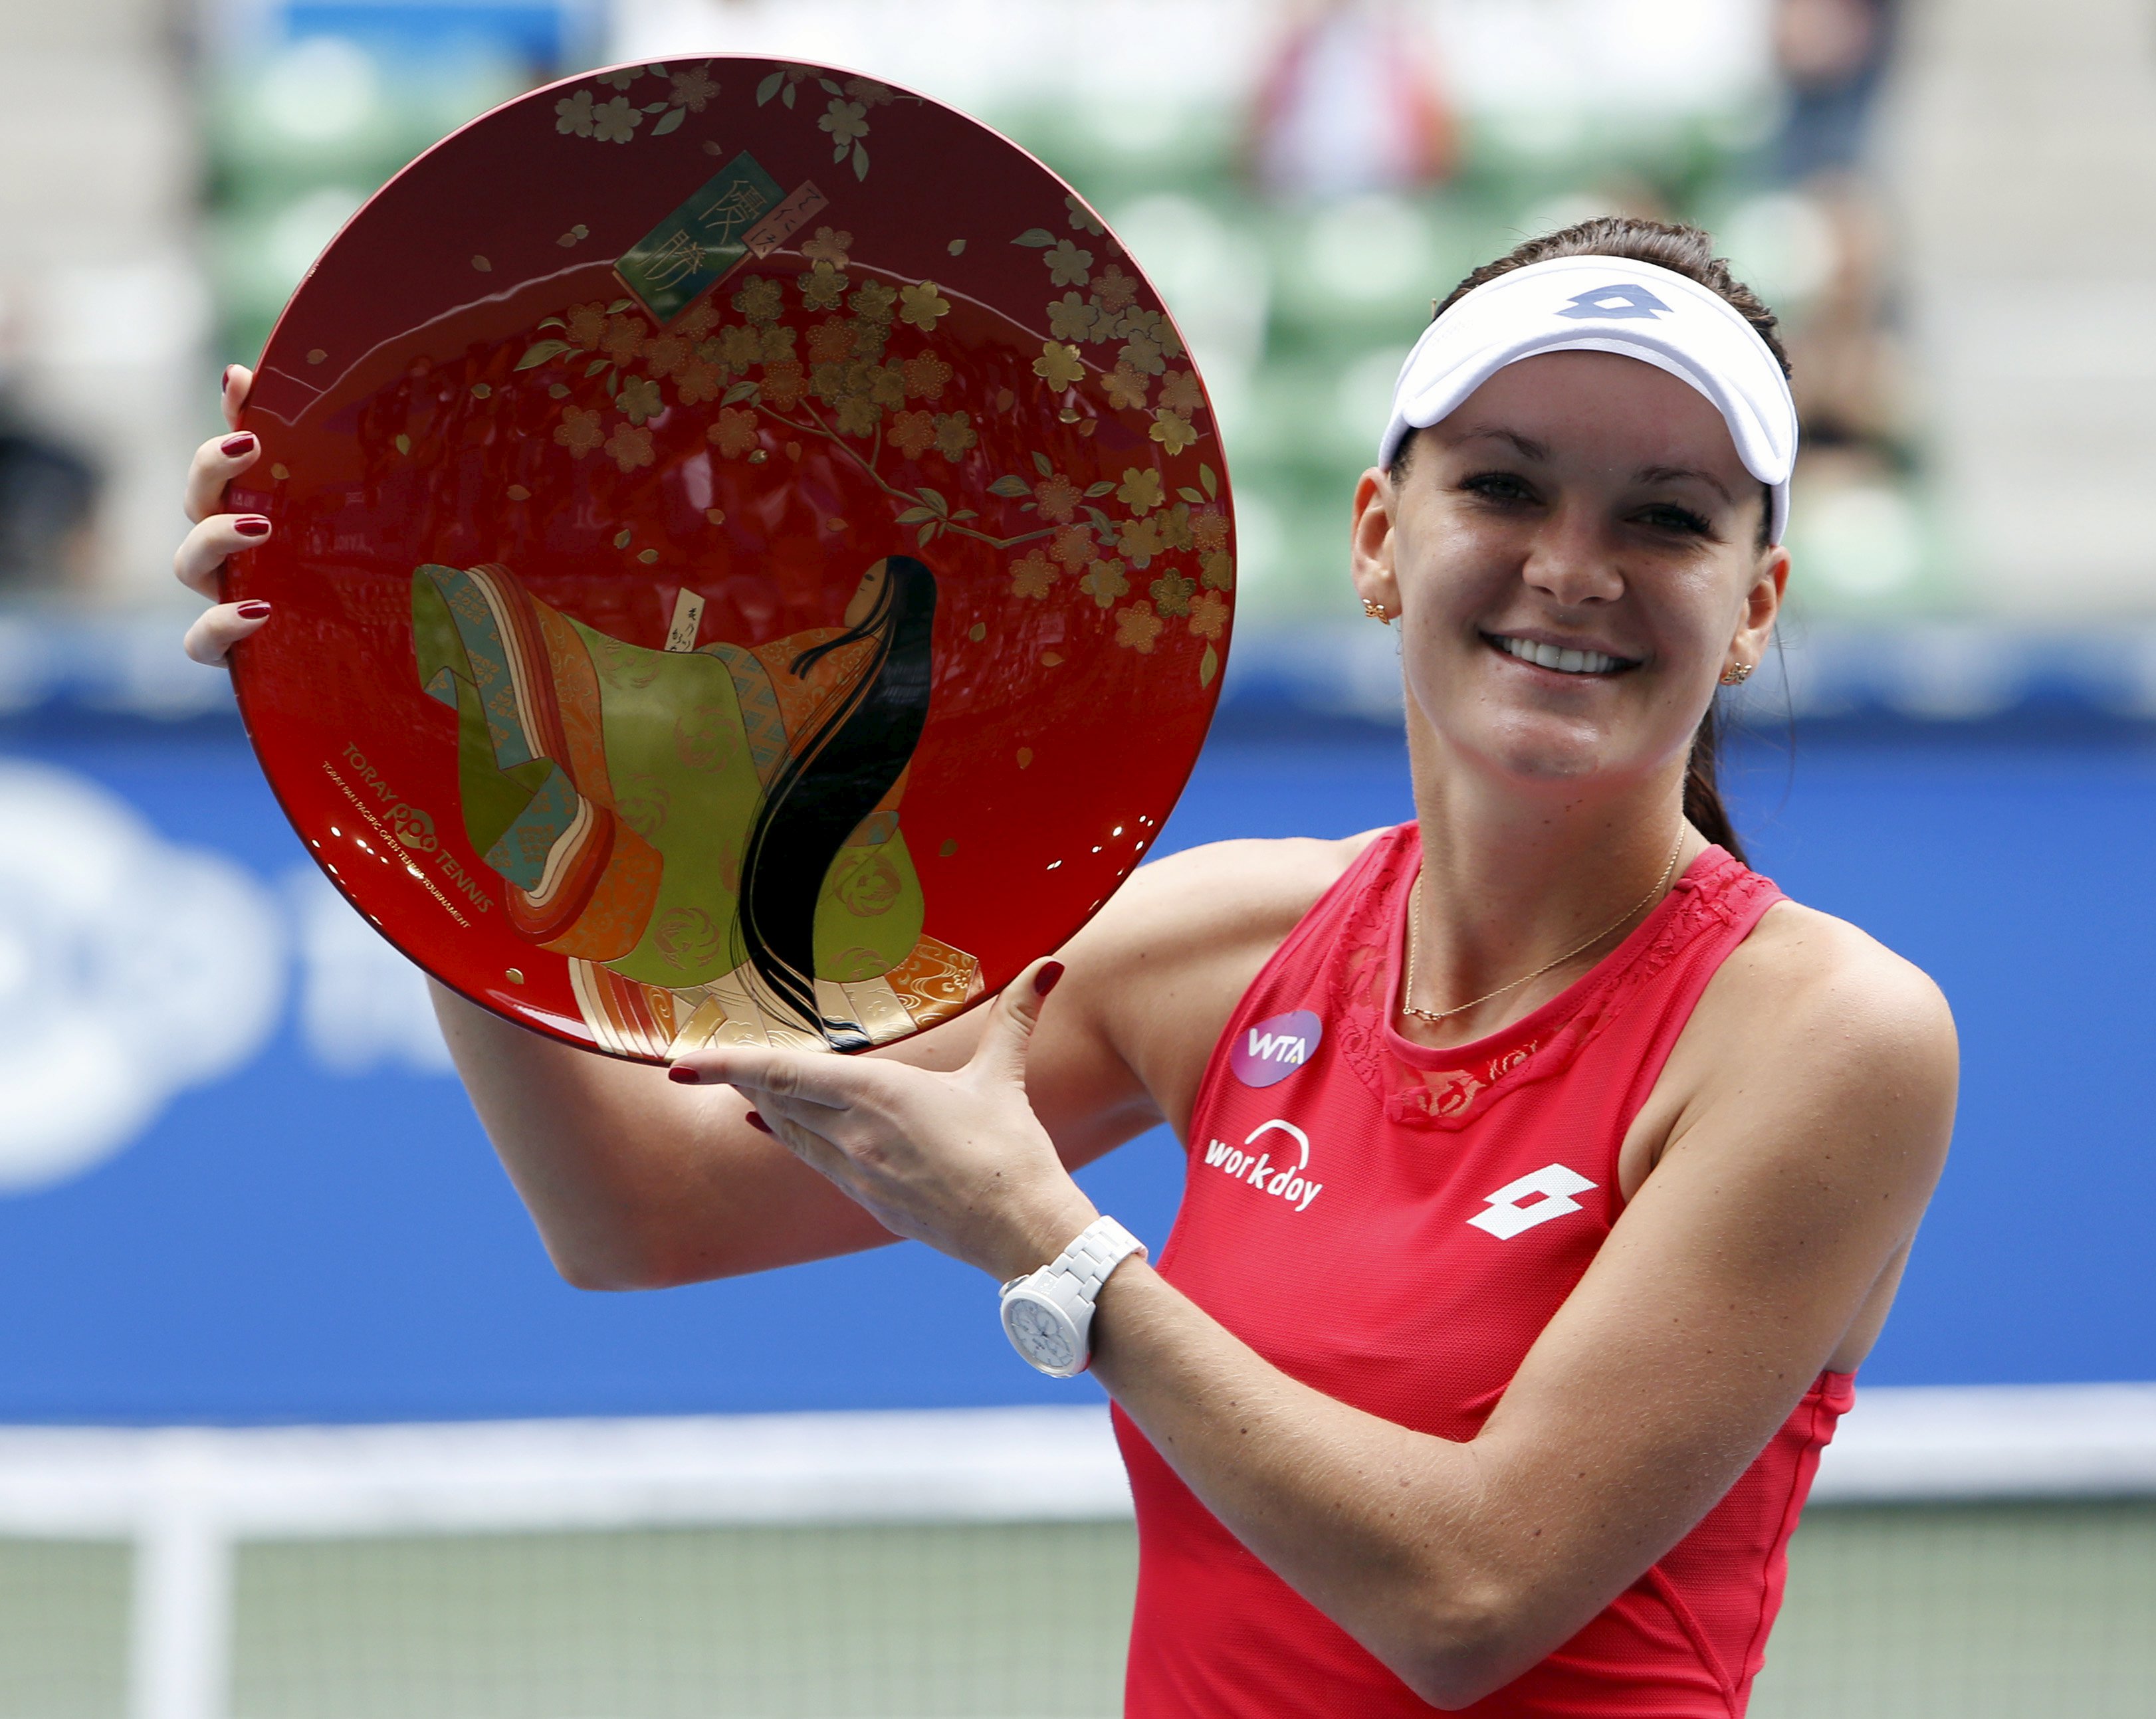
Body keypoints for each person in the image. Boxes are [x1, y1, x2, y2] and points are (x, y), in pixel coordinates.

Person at [177, 217, 1955, 1715]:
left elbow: (1467, 1595)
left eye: (1667, 519)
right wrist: (388, 759)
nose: (1572, 567)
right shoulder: (1227, 940)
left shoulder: (1826, 1035)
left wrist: (1057, 1254)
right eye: (1502, 485)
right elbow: (643, 1210)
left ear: (1755, 604)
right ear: (1376, 536)